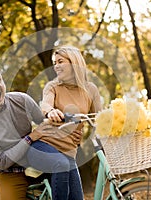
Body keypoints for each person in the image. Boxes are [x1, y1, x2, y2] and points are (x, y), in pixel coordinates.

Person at [0, 64, 82, 200]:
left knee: (66, 162)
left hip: (34, 156)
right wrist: (31, 137)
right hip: (9, 172)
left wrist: (65, 128)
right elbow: (1, 161)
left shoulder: (21, 99)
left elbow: (43, 121)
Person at [27, 45, 102, 200]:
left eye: (60, 61)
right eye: (55, 62)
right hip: (44, 144)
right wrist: (51, 111)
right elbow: (45, 104)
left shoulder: (90, 90)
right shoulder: (53, 86)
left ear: (74, 62)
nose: (56, 66)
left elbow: (100, 117)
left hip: (68, 151)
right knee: (60, 164)